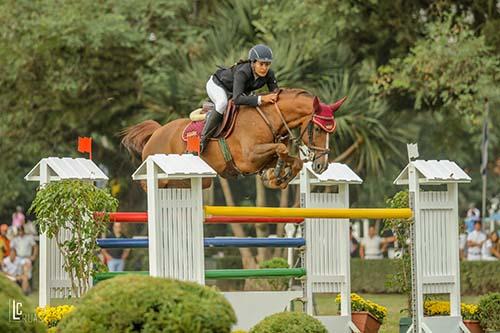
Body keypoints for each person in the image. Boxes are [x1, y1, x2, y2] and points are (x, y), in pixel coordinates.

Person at [200, 44, 279, 152]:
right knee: (222, 103)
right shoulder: (243, 72)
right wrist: (261, 99)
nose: (264, 68)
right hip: (218, 85)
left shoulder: (269, 74)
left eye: (267, 64)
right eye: (261, 64)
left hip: (235, 91)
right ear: (253, 62)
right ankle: (203, 140)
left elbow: (276, 94)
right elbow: (237, 100)